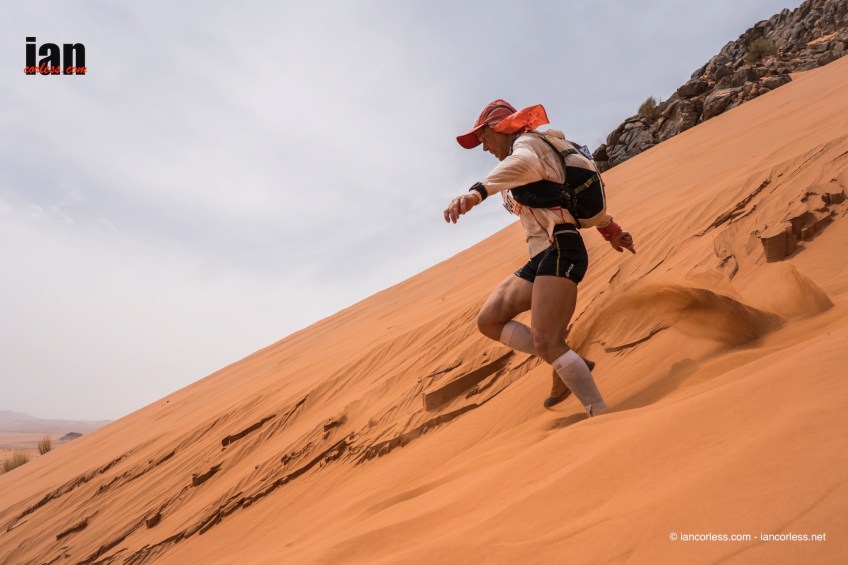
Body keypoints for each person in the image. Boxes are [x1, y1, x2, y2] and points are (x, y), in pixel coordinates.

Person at [444, 100, 636, 417]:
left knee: (547, 341)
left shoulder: (528, 146)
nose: (484, 148)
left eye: (484, 138)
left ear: (499, 128)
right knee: (489, 320)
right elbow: (562, 198)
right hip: (542, 255)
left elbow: (522, 164)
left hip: (562, 248)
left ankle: (600, 416)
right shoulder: (525, 156)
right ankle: (566, 359)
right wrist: (612, 231)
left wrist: (476, 193)